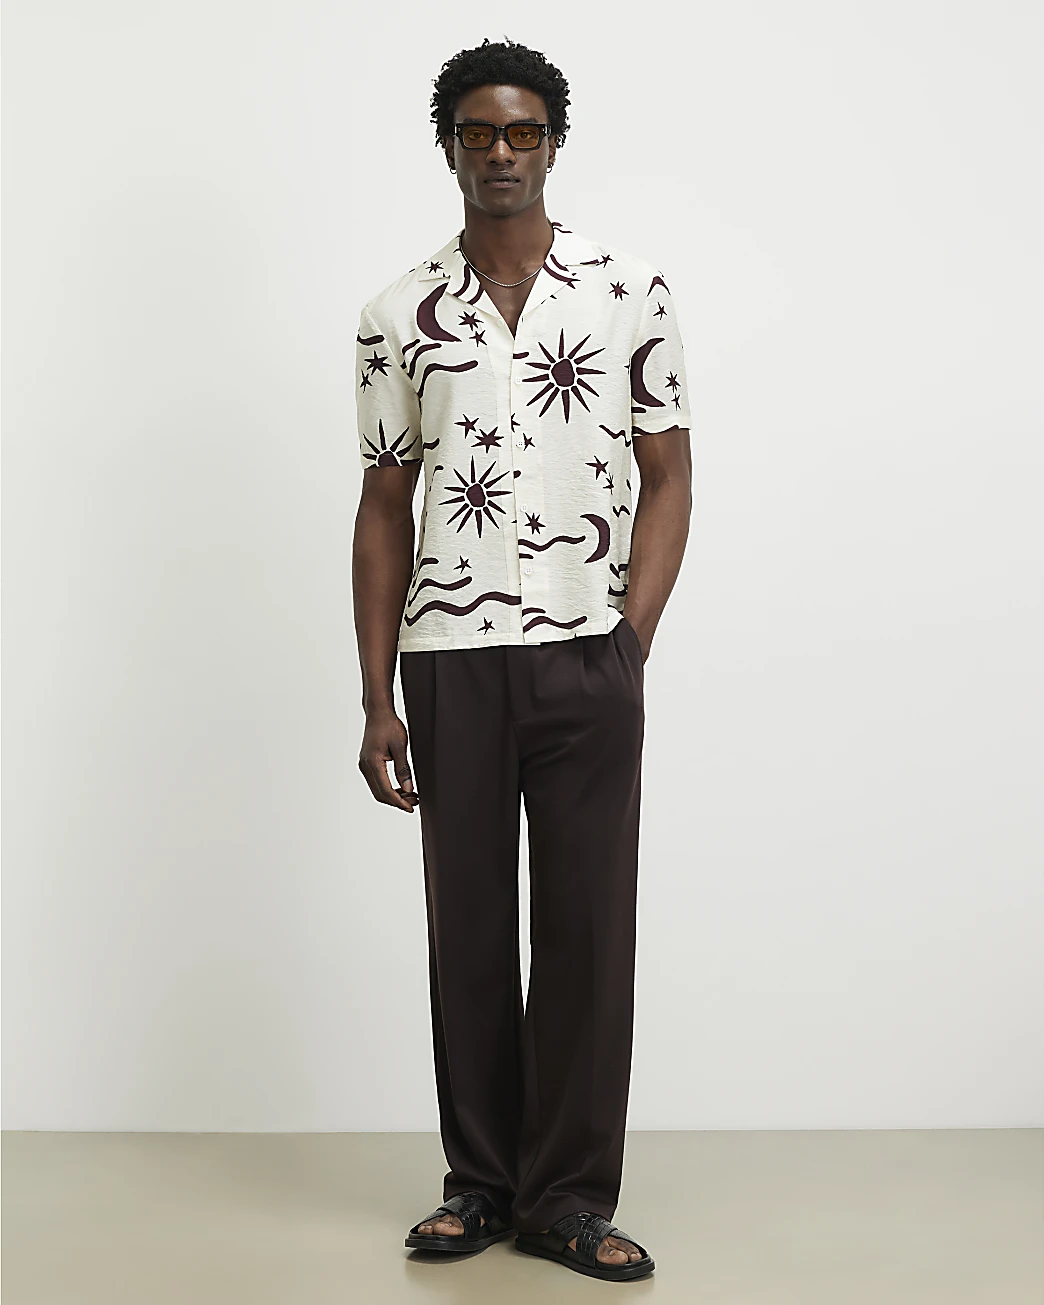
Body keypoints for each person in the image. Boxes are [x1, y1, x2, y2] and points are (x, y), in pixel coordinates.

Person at [353, 38, 691, 1284]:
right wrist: (377, 696)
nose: (502, 151)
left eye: (524, 132)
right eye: (479, 132)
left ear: (554, 144)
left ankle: (571, 1199)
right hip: (450, 659)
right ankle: (481, 1187)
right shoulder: (399, 313)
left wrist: (630, 637)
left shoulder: (626, 291)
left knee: (590, 933)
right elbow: (382, 504)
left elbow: (670, 475)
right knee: (470, 932)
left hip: (587, 653)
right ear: (449, 146)